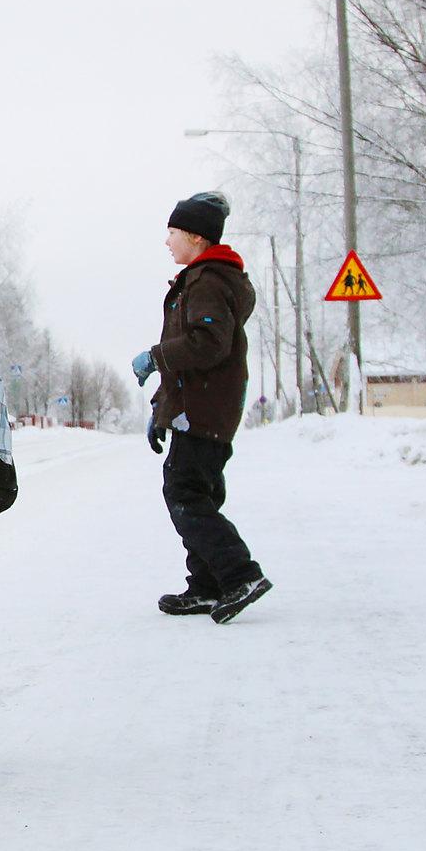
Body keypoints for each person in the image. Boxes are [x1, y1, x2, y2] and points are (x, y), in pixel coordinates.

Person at [132, 191, 272, 624]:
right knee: (199, 494)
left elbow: (208, 345)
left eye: (172, 233)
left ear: (195, 237)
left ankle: (239, 575)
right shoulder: (200, 278)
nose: (167, 242)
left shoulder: (208, 280)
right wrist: (161, 412)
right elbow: (187, 367)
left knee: (185, 493)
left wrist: (156, 356)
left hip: (206, 410)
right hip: (200, 407)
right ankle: (208, 585)